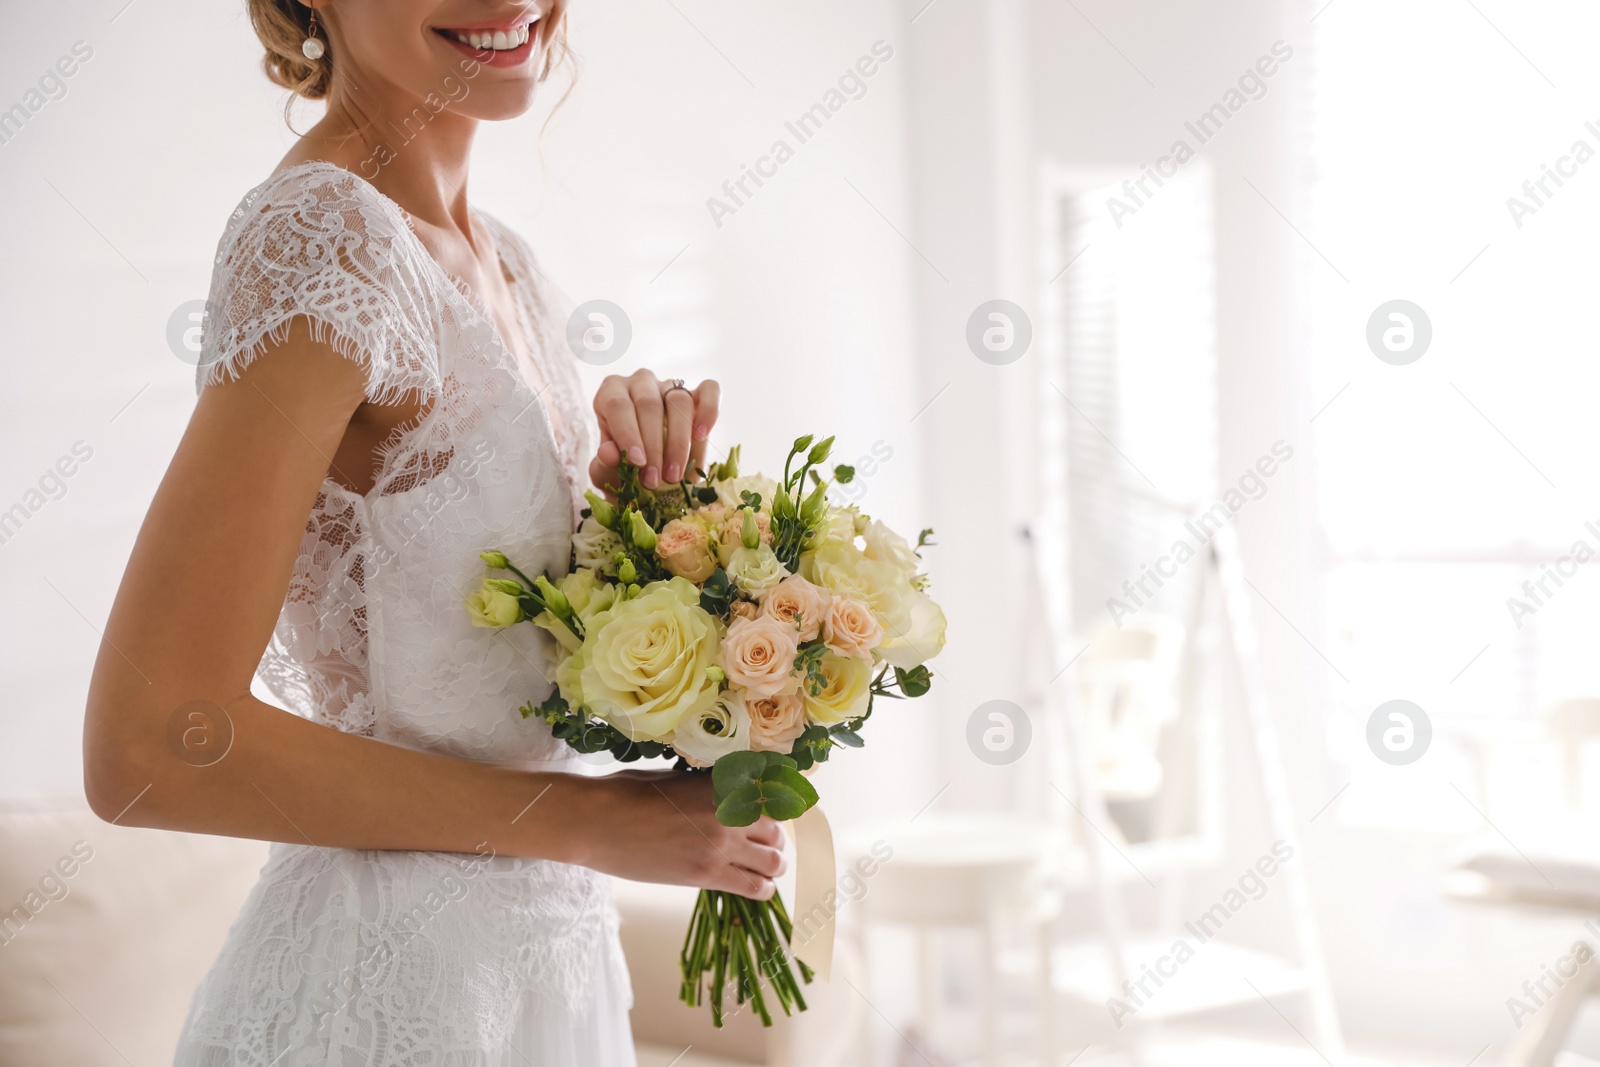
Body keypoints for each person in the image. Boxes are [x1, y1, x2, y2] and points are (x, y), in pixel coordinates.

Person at [80, 3, 784, 1063]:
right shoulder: (322, 240)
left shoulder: (508, 264)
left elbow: (495, 666)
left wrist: (642, 521)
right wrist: (592, 822)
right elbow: (149, 742)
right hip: (383, 997)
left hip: (542, 975)